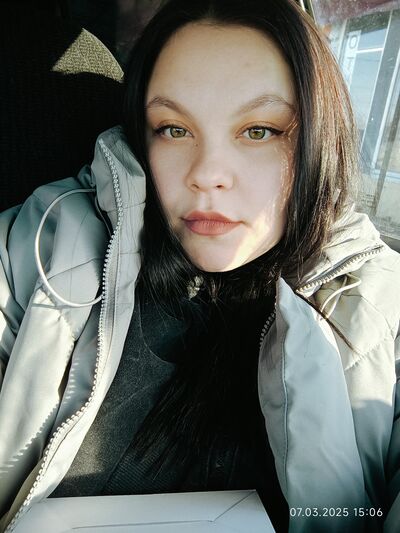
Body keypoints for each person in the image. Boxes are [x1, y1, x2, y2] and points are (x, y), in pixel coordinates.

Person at [0, 0, 399, 531]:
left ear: (318, 141)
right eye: (173, 129)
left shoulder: (380, 306)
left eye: (259, 131)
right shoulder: (38, 247)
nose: (207, 174)